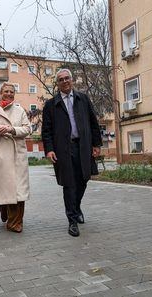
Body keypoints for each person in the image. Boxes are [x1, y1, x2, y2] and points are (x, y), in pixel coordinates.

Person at [41, 69, 102, 237]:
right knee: (69, 185)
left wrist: (96, 144)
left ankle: (76, 207)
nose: (65, 81)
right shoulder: (51, 105)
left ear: (72, 80)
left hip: (83, 146)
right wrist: (50, 149)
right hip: (63, 149)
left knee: (83, 179)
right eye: (61, 79)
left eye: (67, 78)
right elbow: (46, 131)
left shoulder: (83, 99)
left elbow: (93, 122)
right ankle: (72, 221)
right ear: (57, 83)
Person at [0, 82, 31, 233]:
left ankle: (16, 222)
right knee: (4, 188)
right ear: (1, 93)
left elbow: (28, 129)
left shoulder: (19, 110)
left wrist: (12, 129)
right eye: (6, 91)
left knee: (18, 190)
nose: (9, 94)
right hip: (1, 154)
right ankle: (5, 211)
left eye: (11, 92)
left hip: (17, 154)